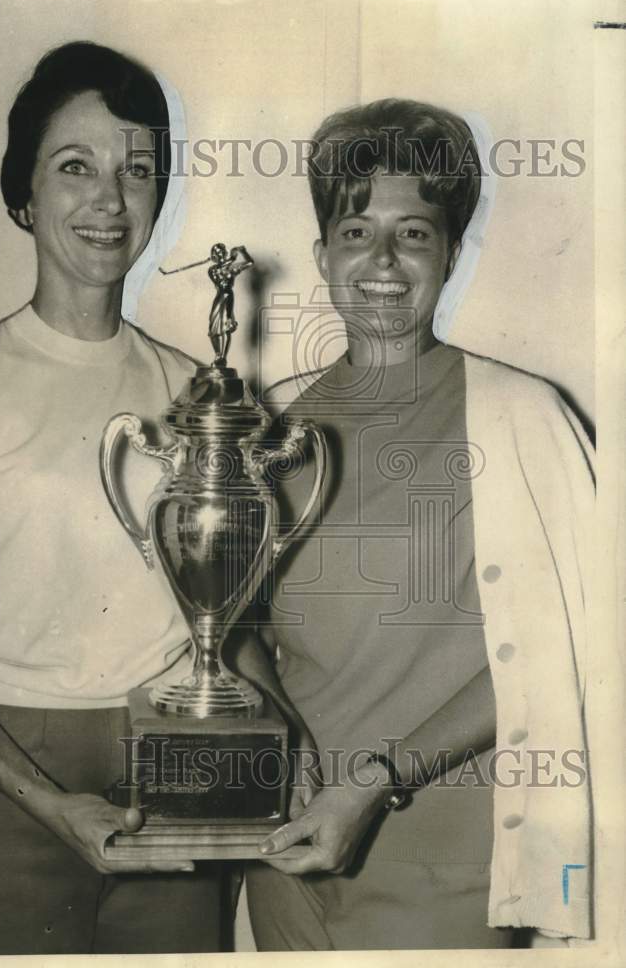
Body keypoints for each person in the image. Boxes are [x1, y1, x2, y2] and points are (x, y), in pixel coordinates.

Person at [0, 40, 234, 956]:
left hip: (171, 774)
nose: (110, 198)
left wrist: (292, 749)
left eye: (136, 169)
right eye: (77, 167)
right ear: (23, 194)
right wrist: (42, 797)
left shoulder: (200, 393)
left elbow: (222, 619)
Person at [245, 99, 593, 949]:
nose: (385, 261)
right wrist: (275, 730)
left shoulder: (522, 415)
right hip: (287, 849)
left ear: (450, 253)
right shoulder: (274, 427)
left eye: (415, 232)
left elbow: (565, 647)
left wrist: (371, 784)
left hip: (449, 863)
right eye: (358, 230)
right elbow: (233, 621)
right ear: (325, 254)